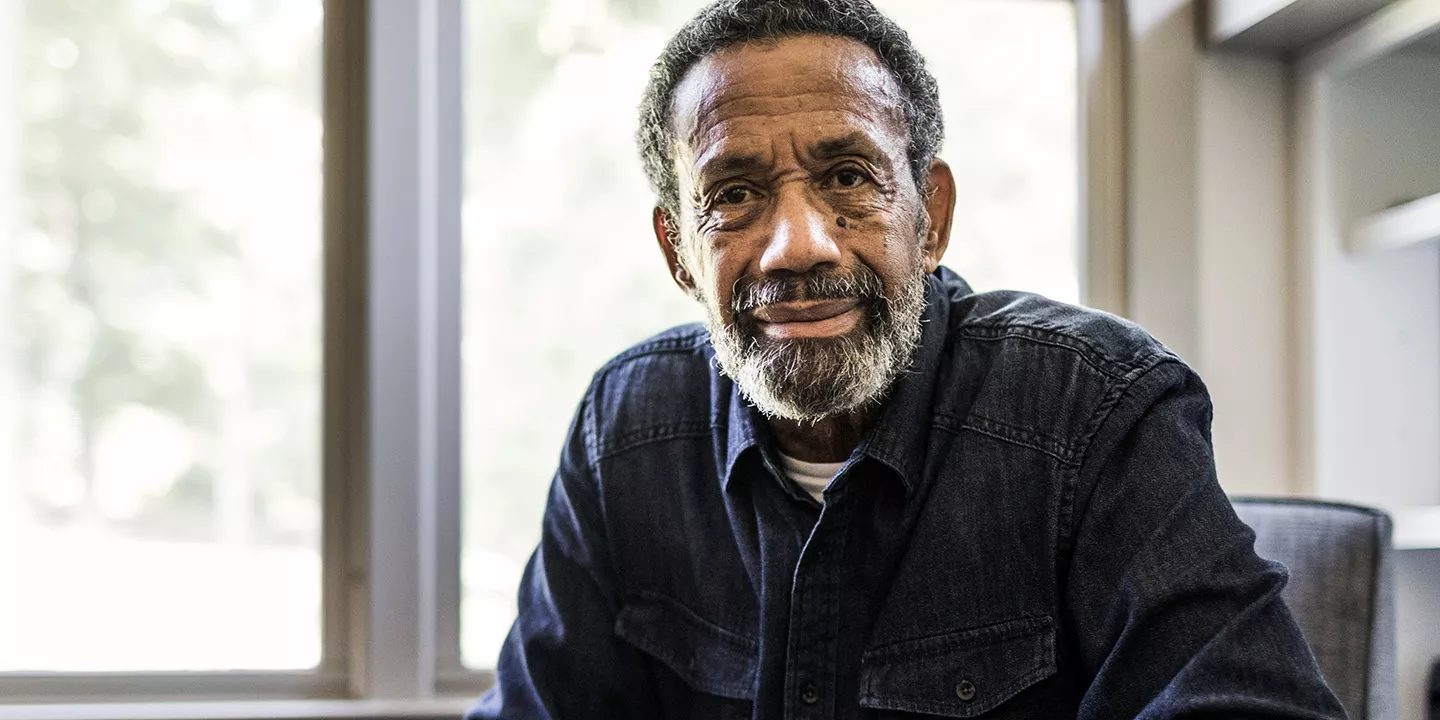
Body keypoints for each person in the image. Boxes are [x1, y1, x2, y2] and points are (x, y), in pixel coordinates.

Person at [468, 0, 1345, 717]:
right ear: (676, 255)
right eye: (733, 195)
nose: (797, 247)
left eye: (848, 176)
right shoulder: (623, 431)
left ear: (931, 216)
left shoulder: (1097, 409)